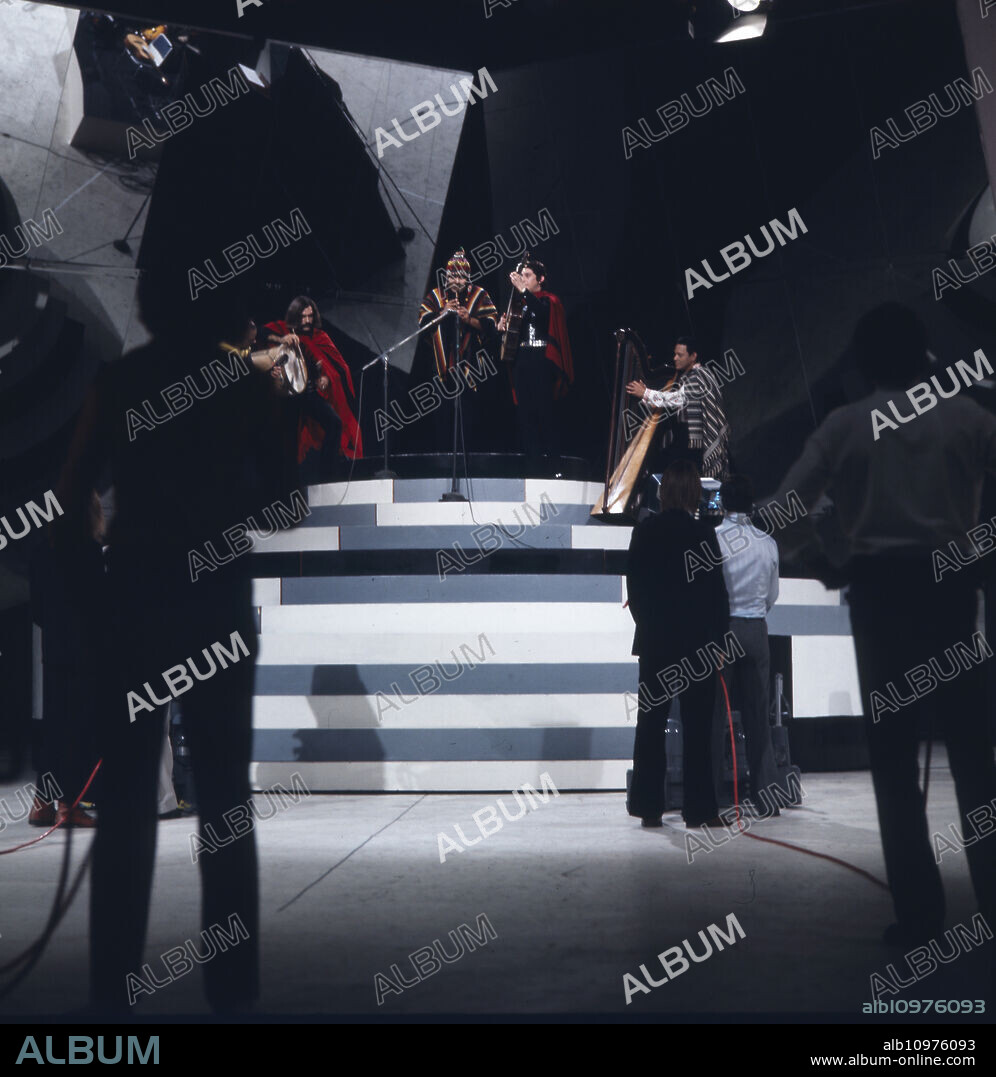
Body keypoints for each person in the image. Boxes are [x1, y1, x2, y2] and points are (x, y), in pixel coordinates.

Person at [56, 277, 297, 1014]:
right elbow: (285, 504)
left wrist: (93, 591)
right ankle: (233, 994)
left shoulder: (118, 382)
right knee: (226, 806)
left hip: (135, 606)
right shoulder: (247, 385)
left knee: (126, 809)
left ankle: (110, 1001)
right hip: (216, 606)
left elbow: (69, 502)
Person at [773, 302, 996, 946]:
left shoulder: (845, 426)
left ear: (864, 363)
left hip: (879, 597)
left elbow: (783, 508)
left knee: (894, 766)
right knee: (974, 759)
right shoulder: (966, 417)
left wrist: (826, 564)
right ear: (924, 357)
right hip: (950, 592)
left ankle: (921, 918)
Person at [626, 461, 731, 829]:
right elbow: (716, 594)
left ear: (663, 491)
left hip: (655, 642)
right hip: (697, 645)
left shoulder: (644, 532)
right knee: (698, 729)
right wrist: (718, 640)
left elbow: (635, 590)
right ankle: (700, 810)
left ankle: (648, 807)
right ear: (693, 493)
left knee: (650, 725)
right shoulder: (703, 533)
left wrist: (649, 627)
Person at [710, 473, 781, 818]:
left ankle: (713, 798)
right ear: (752, 505)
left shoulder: (714, 539)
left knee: (714, 716)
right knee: (759, 716)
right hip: (756, 629)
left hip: (724, 629)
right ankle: (767, 797)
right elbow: (772, 596)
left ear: (722, 503)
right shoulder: (768, 543)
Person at [261, 297, 363, 478]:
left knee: (334, 423)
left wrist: (325, 378)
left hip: (309, 393)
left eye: (310, 316)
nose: (307, 321)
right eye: (303, 317)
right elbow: (260, 332)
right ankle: (287, 482)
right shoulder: (283, 329)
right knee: (289, 440)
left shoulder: (320, 337)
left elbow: (336, 367)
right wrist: (281, 338)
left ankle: (327, 476)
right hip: (288, 395)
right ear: (295, 316)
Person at [417, 249, 498, 450]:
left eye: (461, 277)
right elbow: (422, 325)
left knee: (468, 421)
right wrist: (442, 313)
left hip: (471, 368)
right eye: (452, 276)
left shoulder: (479, 294)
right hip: (441, 369)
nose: (456, 280)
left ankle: (467, 460)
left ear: (468, 278)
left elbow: (492, 326)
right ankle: (444, 461)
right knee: (442, 421)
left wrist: (468, 319)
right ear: (446, 276)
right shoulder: (436, 295)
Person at [497, 258, 573, 467]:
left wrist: (523, 291)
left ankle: (555, 464)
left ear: (541, 279)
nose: (523, 279)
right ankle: (533, 464)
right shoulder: (519, 304)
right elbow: (514, 333)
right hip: (522, 361)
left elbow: (541, 313)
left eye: (528, 275)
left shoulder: (550, 300)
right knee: (525, 415)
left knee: (545, 412)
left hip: (541, 361)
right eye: (522, 276)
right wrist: (503, 327)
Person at [626, 336, 730, 480]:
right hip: (685, 441)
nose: (675, 358)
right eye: (675, 354)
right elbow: (671, 403)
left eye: (680, 355)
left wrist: (645, 393)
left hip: (694, 446)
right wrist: (645, 395)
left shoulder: (699, 376)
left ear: (693, 356)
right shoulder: (686, 377)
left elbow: (676, 399)